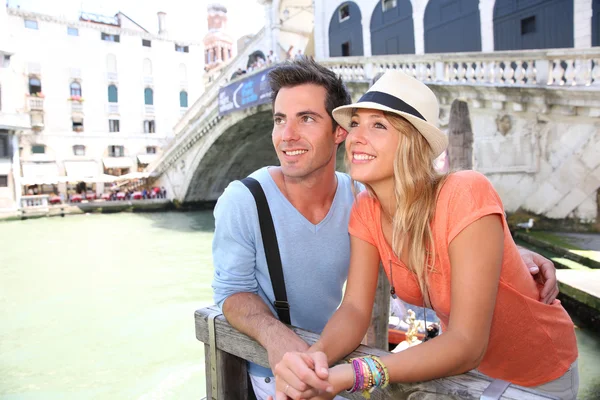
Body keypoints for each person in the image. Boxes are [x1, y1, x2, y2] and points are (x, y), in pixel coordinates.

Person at [211, 59, 560, 400]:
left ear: (412, 140)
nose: (357, 137)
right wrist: (314, 362)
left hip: (535, 377)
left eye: (378, 126)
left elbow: (467, 342)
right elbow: (354, 310)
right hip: (463, 375)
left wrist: (349, 374)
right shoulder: (366, 207)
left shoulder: (459, 190)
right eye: (358, 124)